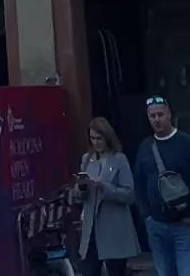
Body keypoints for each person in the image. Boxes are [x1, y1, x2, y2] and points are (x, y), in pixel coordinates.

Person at [133, 95, 190, 276]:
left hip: (183, 224)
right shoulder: (146, 146)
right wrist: (146, 214)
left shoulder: (187, 144)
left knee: (187, 272)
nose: (156, 120)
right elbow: (139, 182)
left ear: (169, 115)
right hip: (156, 224)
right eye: (152, 116)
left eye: (160, 115)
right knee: (164, 272)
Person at [74, 116, 141, 276]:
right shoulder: (86, 159)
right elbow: (78, 196)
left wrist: (104, 187)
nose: (96, 142)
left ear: (107, 137)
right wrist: (81, 188)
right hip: (91, 227)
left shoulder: (119, 159)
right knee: (89, 269)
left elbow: (130, 194)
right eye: (93, 138)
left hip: (113, 227)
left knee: (116, 270)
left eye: (99, 138)